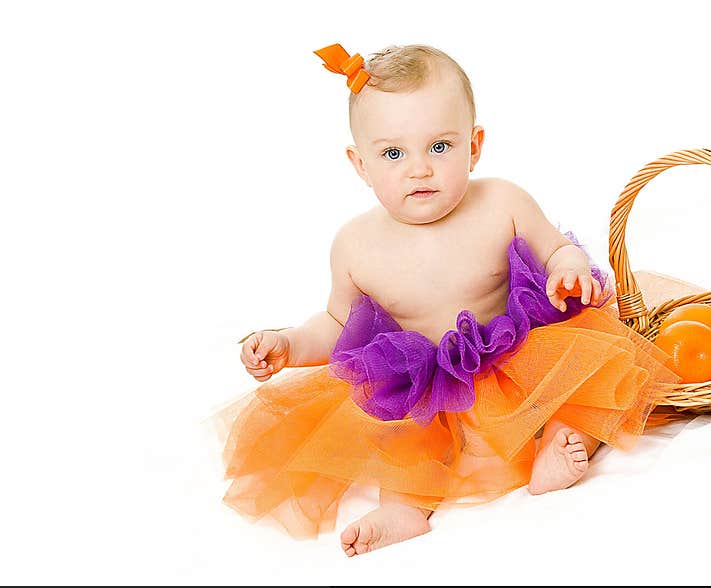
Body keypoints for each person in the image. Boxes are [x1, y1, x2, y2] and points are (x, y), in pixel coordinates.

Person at [210, 43, 679, 557]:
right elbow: (337, 325)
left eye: (439, 147)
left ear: (474, 145)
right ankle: (403, 508)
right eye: (393, 153)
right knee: (398, 433)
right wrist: (290, 344)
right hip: (427, 387)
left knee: (594, 375)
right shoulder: (354, 245)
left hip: (519, 356)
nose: (419, 170)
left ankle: (565, 443)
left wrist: (567, 271)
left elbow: (557, 248)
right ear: (359, 163)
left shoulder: (503, 202)